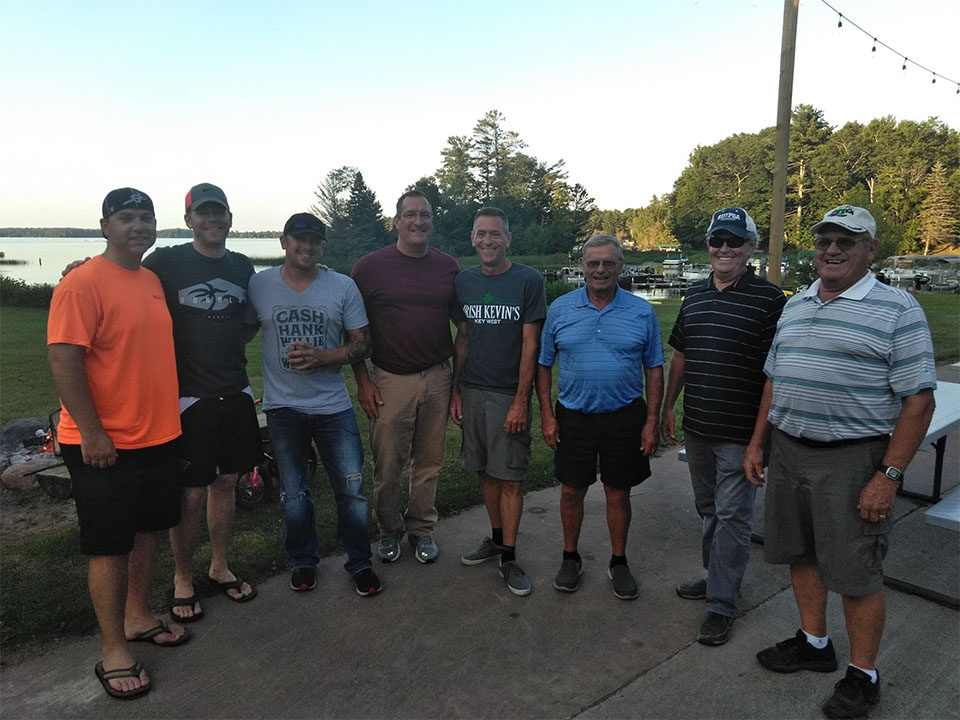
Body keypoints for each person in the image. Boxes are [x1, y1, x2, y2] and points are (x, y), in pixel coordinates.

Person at [744, 205, 936, 719]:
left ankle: (864, 675)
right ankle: (813, 643)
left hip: (853, 459)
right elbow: (774, 379)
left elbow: (919, 401)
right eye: (824, 240)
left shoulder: (897, 309)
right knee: (800, 554)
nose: (831, 249)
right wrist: (757, 442)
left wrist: (889, 476)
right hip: (789, 450)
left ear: (870, 249)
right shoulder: (796, 304)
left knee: (855, 572)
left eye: (845, 241)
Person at [48, 188, 188, 701]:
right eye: (127, 218)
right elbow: (64, 359)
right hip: (103, 442)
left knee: (147, 532)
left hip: (157, 434)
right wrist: (92, 432)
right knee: (108, 547)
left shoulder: (150, 279)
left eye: (146, 218)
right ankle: (112, 649)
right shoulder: (82, 283)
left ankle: (137, 616)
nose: (139, 226)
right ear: (105, 226)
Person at [661, 207, 786, 645]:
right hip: (697, 426)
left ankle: (722, 604)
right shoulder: (694, 295)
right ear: (709, 246)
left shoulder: (770, 300)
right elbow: (681, 356)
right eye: (718, 240)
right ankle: (714, 577)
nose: (725, 248)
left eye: (735, 241)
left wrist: (759, 441)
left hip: (739, 435)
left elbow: (776, 373)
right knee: (709, 510)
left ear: (751, 247)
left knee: (733, 517)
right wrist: (665, 409)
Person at [143, 183, 263, 620]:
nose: (212, 220)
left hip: (234, 390)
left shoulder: (242, 265)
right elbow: (122, 275)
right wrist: (82, 269)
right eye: (203, 213)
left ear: (230, 218)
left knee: (227, 483)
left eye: (220, 213)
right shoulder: (167, 261)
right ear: (190, 219)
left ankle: (218, 565)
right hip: (187, 396)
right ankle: (182, 577)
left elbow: (247, 322)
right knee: (191, 493)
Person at [247, 213, 381, 596]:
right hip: (283, 406)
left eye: (315, 241)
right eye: (299, 239)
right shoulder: (259, 284)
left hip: (332, 405)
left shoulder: (342, 286)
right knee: (294, 492)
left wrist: (325, 357)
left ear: (323, 246)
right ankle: (304, 561)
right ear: (283, 241)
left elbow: (363, 344)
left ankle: (359, 562)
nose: (307, 247)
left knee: (351, 487)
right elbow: (230, 323)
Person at [537, 234, 664, 600]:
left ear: (621, 267)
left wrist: (651, 420)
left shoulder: (641, 312)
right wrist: (547, 415)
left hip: (624, 417)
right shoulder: (561, 309)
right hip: (574, 416)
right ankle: (570, 556)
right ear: (583, 267)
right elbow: (544, 366)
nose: (600, 270)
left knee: (617, 493)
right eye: (593, 263)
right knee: (571, 490)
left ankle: (619, 561)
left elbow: (654, 368)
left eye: (608, 263)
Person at [350, 191, 460, 564]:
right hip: (390, 378)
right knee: (389, 466)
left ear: (432, 221)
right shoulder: (369, 267)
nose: (418, 221)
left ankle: (422, 529)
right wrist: (363, 380)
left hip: (437, 376)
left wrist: (456, 384)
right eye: (410, 215)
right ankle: (388, 530)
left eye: (425, 215)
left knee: (430, 462)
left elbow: (464, 328)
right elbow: (351, 331)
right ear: (396, 221)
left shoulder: (448, 267)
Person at [450, 207, 547, 596]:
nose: (488, 241)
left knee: (510, 477)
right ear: (472, 238)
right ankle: (494, 538)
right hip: (472, 390)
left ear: (508, 238)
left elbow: (531, 344)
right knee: (485, 472)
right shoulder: (464, 281)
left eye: (496, 234)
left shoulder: (528, 280)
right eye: (481, 234)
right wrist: (456, 389)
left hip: (509, 392)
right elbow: (464, 337)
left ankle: (509, 556)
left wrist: (522, 401)